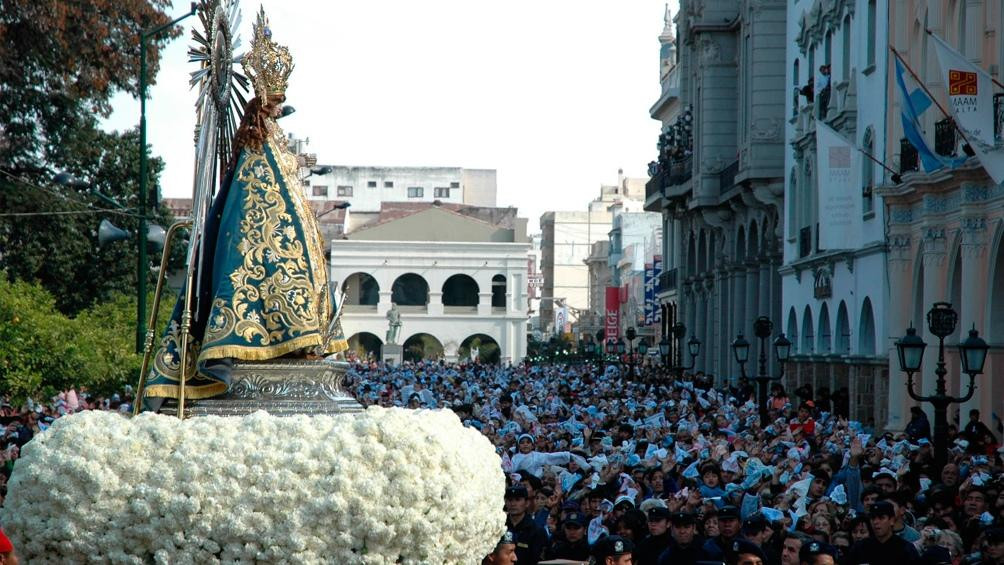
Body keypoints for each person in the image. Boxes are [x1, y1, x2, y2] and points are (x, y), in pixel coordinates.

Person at [142, 8, 347, 403]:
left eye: (281, 101)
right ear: (264, 99)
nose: (277, 107)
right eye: (275, 100)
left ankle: (301, 337)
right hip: (258, 237)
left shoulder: (275, 136)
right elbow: (259, 199)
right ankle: (285, 335)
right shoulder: (257, 144)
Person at [843, 502, 920, 565]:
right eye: (873, 518)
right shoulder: (860, 548)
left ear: (891, 520)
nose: (876, 522)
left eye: (881, 518)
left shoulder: (905, 549)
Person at [505, 485, 546, 565]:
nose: (513, 504)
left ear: (527, 503)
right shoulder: (499, 527)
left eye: (517, 500)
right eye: (510, 500)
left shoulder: (536, 530)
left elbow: (539, 560)